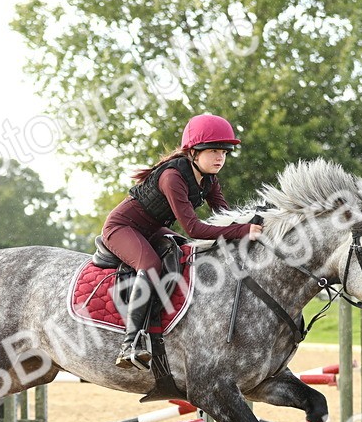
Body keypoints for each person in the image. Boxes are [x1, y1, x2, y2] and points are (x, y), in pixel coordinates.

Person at [102, 113, 261, 369]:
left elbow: (225, 216)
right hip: (122, 227)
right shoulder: (172, 177)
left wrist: (256, 220)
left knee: (186, 252)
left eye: (224, 152)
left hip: (153, 229)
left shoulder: (208, 179)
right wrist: (243, 230)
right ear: (193, 152)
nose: (220, 158)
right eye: (213, 151)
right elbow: (194, 228)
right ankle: (130, 343)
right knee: (150, 265)